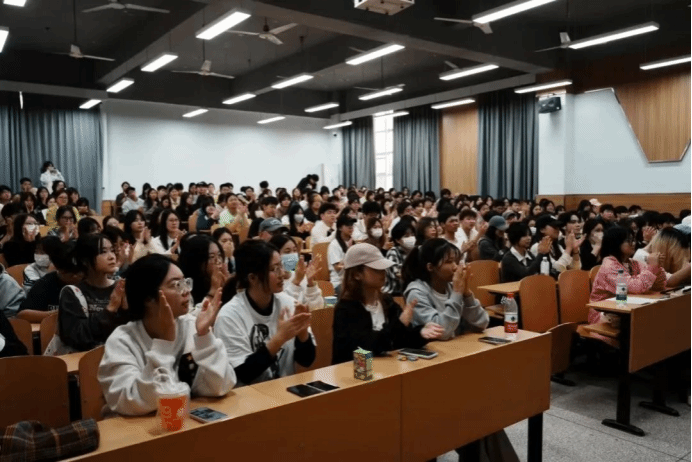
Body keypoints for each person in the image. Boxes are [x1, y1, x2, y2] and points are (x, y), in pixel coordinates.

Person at [98, 254, 236, 416]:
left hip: (184, 423)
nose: (186, 291)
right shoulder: (122, 341)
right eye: (176, 285)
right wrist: (163, 344)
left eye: (186, 282)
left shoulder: (191, 326)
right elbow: (131, 403)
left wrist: (205, 337)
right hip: (139, 428)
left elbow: (221, 386)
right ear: (148, 298)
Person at [214, 240, 316, 386]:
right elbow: (243, 374)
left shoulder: (288, 303)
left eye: (281, 266)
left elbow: (307, 361)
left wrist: (303, 334)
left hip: (285, 392)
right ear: (252, 278)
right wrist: (279, 339)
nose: (282, 274)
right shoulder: (229, 316)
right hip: (249, 396)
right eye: (274, 269)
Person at [331, 243, 444, 364]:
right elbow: (366, 347)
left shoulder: (386, 301)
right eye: (376, 269)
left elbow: (401, 339)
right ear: (357, 274)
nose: (383, 272)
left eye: (383, 268)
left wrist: (420, 333)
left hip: (388, 369)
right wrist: (400, 324)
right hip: (354, 372)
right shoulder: (345, 309)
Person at [402, 238, 489, 340]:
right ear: (430, 267)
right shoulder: (416, 293)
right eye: (449, 262)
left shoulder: (451, 287)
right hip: (432, 348)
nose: (455, 267)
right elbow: (442, 332)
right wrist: (457, 293)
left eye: (456, 261)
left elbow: (482, 323)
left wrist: (467, 294)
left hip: (455, 346)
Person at [55, 234, 129, 352]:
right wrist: (110, 308)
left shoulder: (120, 288)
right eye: (103, 252)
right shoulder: (72, 293)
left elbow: (130, 331)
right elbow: (75, 336)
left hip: (119, 354)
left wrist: (126, 309)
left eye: (112, 250)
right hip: (86, 358)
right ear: (85, 260)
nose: (111, 257)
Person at [590, 226, 666, 322]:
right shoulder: (609, 265)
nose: (633, 243)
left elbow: (659, 286)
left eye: (633, 240)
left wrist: (657, 267)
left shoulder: (633, 263)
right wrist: (652, 267)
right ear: (616, 243)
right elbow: (636, 287)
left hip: (625, 309)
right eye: (628, 240)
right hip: (604, 313)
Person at [17, 239, 83, 322]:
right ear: (59, 269)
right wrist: (55, 314)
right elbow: (22, 315)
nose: (75, 276)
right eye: (70, 273)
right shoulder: (46, 283)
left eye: (79, 272)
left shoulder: (89, 281)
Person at [269, 234, 324, 308]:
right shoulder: (272, 280)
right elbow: (282, 308)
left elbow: (317, 307)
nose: (293, 255)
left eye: (295, 250)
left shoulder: (299, 274)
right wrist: (296, 282)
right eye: (287, 252)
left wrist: (310, 283)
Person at [179, 235, 229, 306]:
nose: (218, 261)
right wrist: (213, 290)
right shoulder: (185, 288)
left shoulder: (221, 280)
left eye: (219, 255)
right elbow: (193, 312)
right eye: (212, 257)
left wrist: (228, 286)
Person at [383, 220, 417, 296]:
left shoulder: (416, 251)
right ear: (398, 240)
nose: (411, 238)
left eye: (412, 235)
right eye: (406, 236)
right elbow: (398, 275)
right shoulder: (392, 253)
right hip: (394, 293)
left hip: (412, 290)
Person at [328, 215, 356, 295]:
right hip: (338, 282)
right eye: (347, 225)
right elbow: (337, 268)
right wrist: (349, 251)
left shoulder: (354, 242)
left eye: (352, 225)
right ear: (340, 228)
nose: (351, 227)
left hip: (352, 279)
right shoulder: (334, 245)